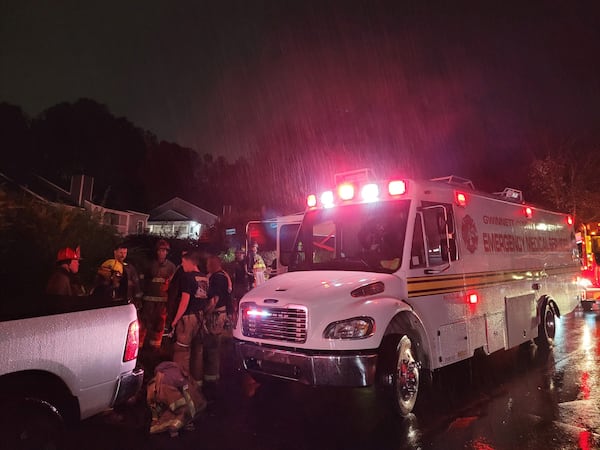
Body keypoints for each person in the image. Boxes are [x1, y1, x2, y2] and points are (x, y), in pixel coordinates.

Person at [170, 250, 209, 402]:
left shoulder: (187, 277)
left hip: (188, 319)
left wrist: (175, 320)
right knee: (197, 352)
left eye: (184, 263)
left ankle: (182, 387)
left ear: (191, 263)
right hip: (200, 318)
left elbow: (184, 301)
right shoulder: (204, 278)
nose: (182, 265)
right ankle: (197, 385)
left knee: (182, 352)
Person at [140, 239, 177, 351]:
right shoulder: (149, 265)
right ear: (156, 251)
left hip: (162, 302)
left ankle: (155, 347)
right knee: (144, 323)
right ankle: (140, 346)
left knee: (159, 325)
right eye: (160, 250)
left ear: (167, 252)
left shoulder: (171, 267)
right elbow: (143, 282)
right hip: (148, 301)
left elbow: (173, 285)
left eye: (164, 251)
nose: (162, 253)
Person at [204, 255, 232, 384]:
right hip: (222, 313)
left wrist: (204, 314)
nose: (206, 267)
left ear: (214, 265)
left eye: (209, 264)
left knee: (212, 346)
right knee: (215, 345)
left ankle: (211, 377)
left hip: (215, 315)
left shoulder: (216, 278)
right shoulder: (225, 276)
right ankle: (214, 375)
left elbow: (214, 300)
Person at [231, 247, 249, 321]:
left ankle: (243, 316)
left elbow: (247, 273)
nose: (238, 255)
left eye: (240, 253)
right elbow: (233, 275)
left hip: (244, 285)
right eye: (237, 253)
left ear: (243, 255)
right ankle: (237, 317)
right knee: (237, 300)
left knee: (243, 301)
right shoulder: (234, 263)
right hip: (237, 285)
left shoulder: (246, 262)